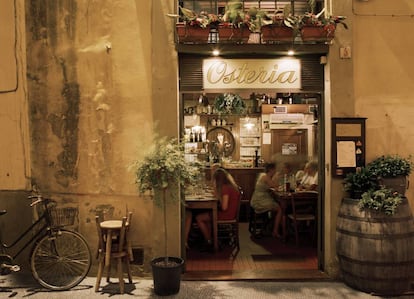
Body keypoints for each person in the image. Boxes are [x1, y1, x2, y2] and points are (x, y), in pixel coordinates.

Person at [195, 168, 240, 250]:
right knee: (207, 216)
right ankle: (211, 239)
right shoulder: (230, 186)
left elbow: (224, 207)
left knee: (199, 218)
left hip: (227, 215)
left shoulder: (225, 189)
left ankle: (209, 241)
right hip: (230, 213)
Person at [250, 162, 284, 238]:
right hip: (260, 201)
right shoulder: (266, 177)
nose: (275, 171)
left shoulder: (262, 175)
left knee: (277, 205)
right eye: (275, 169)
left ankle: (272, 227)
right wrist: (277, 176)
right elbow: (275, 185)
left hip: (257, 199)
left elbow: (273, 186)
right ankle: (275, 231)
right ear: (271, 170)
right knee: (280, 209)